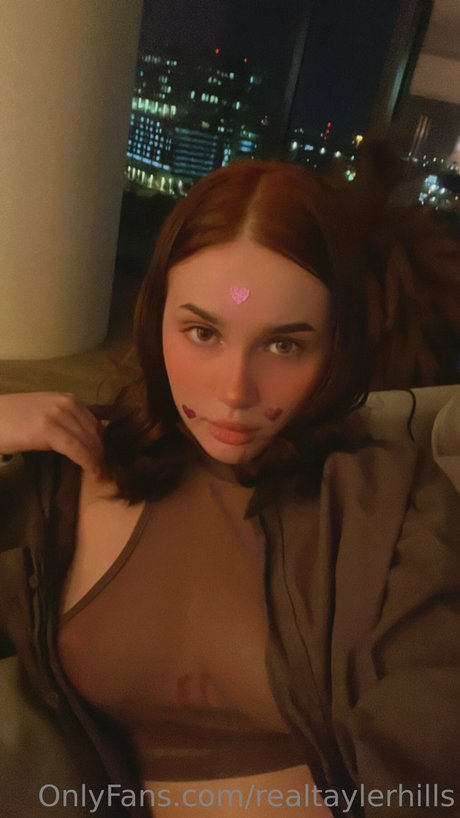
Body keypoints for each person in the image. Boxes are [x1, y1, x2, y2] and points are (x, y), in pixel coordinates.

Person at [0, 159, 458, 818]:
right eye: (203, 332)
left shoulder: (392, 504)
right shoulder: (68, 471)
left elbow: (433, 726)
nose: (235, 391)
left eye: (284, 346)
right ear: (155, 318)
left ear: (336, 347)